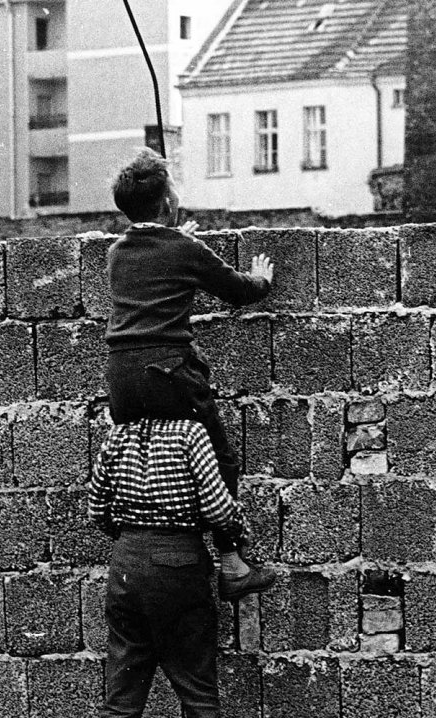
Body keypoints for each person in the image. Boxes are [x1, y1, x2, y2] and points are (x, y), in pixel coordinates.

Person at [105, 147, 275, 601]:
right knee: (220, 461)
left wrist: (172, 235)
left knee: (143, 459)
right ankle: (233, 563)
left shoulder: (118, 253)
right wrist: (261, 279)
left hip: (121, 378)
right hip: (169, 371)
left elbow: (153, 258)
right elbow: (239, 291)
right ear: (166, 203)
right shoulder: (183, 248)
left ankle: (144, 554)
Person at [88, 417, 250, 718]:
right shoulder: (189, 433)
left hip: (127, 563)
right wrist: (237, 529)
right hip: (180, 563)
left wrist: (132, 539)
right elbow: (218, 509)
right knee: (199, 699)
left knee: (120, 704)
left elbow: (96, 508)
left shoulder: (119, 433)